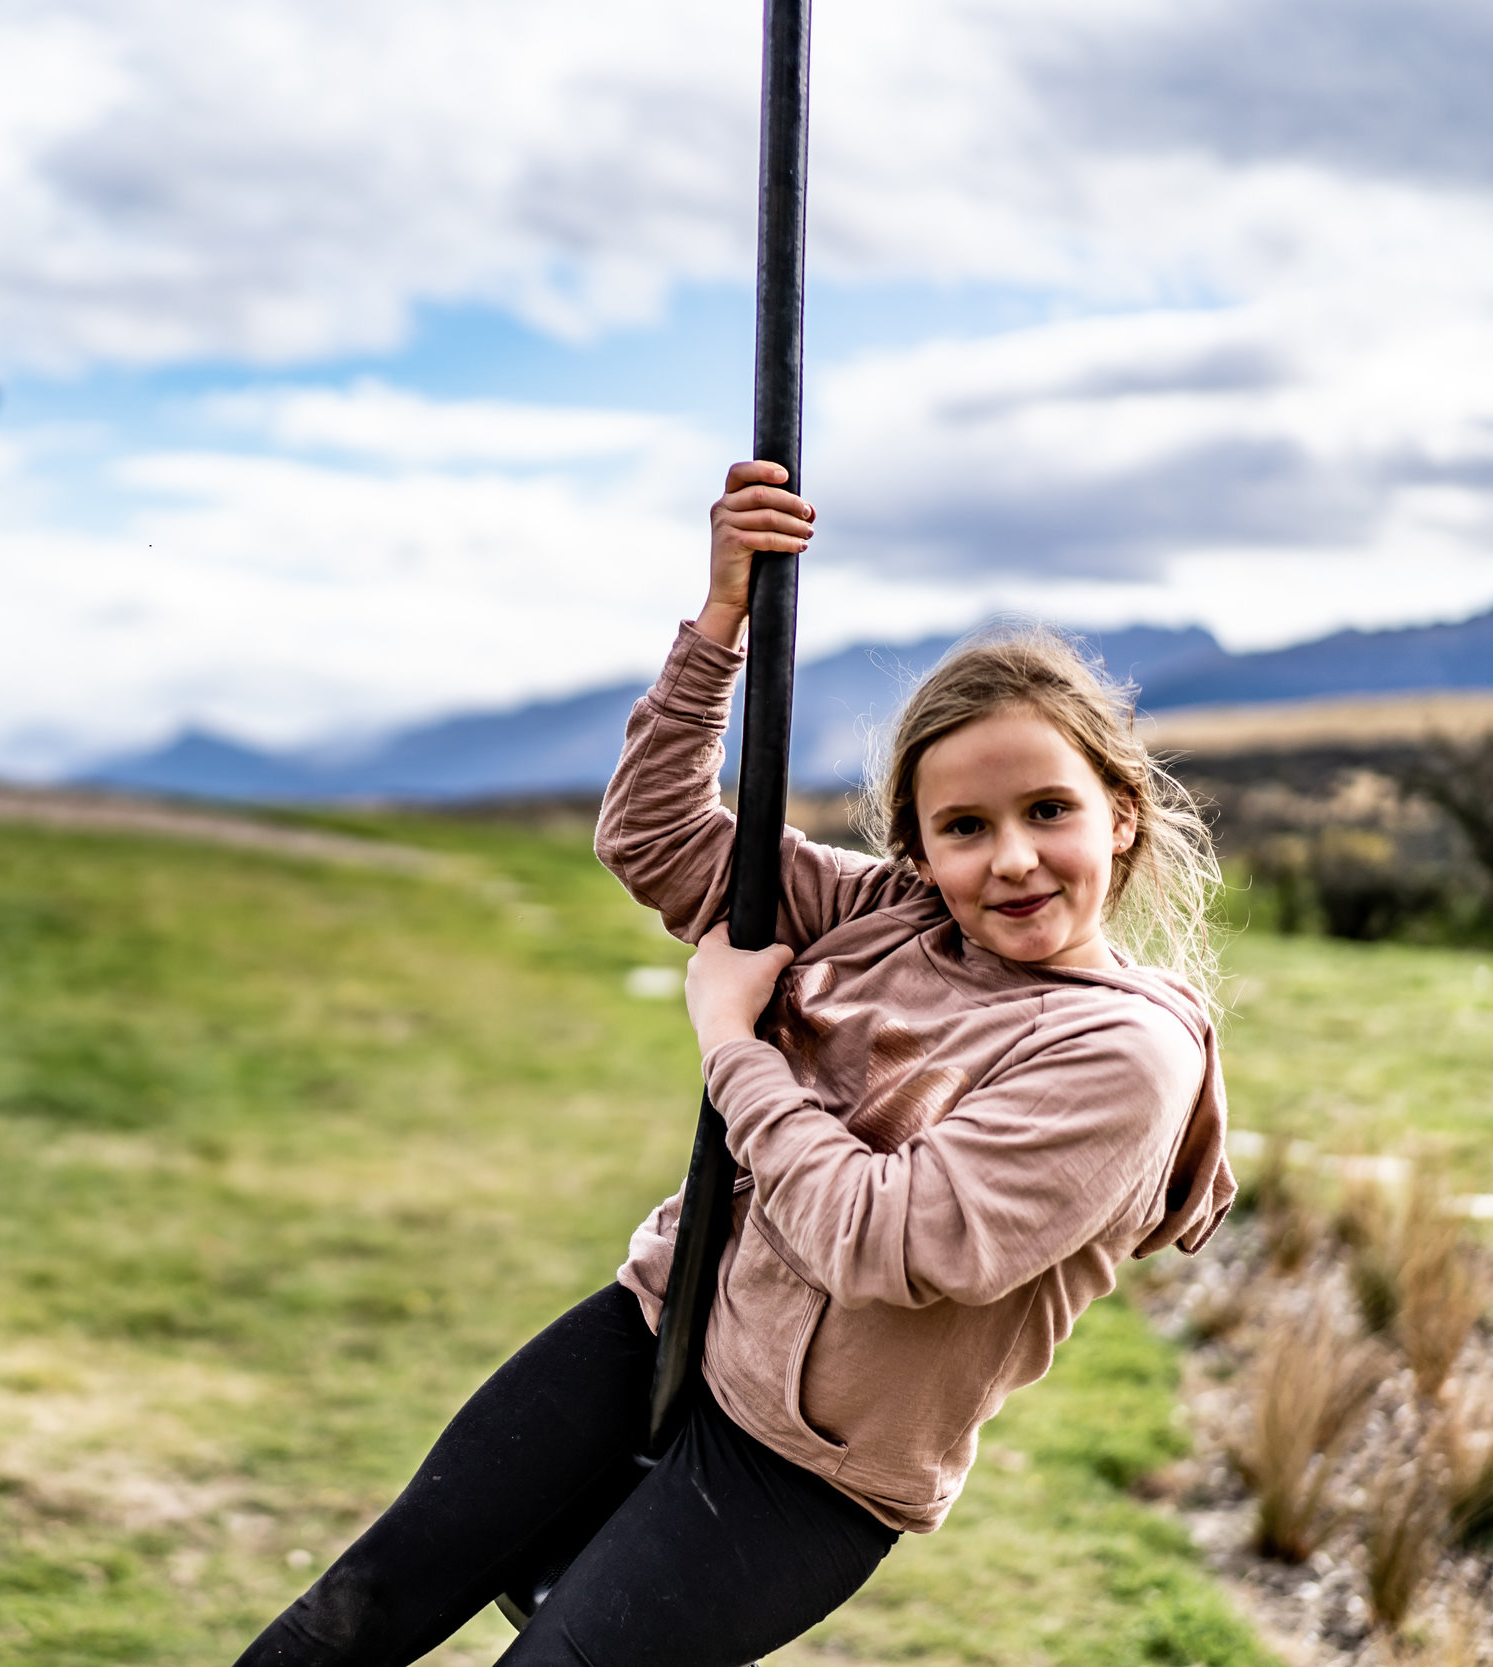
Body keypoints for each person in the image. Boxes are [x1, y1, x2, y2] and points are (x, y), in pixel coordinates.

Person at [233, 460, 1235, 1667]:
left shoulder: (1122, 1052)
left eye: (1048, 811)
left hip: (809, 1467)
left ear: (1119, 810)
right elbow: (654, 836)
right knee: (359, 1607)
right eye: (963, 827)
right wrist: (722, 622)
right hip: (659, 1323)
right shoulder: (883, 913)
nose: (1011, 859)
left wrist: (729, 1043)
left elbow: (891, 1241)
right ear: (916, 845)